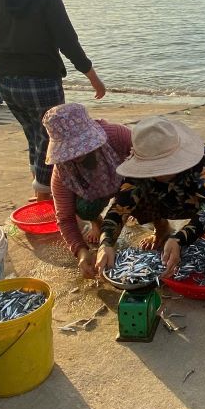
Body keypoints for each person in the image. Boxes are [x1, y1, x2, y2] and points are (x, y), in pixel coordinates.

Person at [0, 0, 106, 201]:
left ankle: (40, 188)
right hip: (42, 80)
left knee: (33, 135)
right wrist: (92, 76)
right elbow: (67, 41)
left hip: (6, 80)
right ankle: (44, 196)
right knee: (51, 139)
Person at [95, 117, 205, 278]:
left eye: (165, 165)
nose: (160, 172)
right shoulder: (137, 171)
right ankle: (161, 229)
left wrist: (180, 240)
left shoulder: (204, 161)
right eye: (153, 167)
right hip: (164, 203)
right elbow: (119, 209)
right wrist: (106, 244)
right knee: (131, 197)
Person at [42, 103, 132, 278]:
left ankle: (160, 228)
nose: (77, 154)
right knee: (83, 209)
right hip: (93, 195)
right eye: (71, 150)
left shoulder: (116, 134)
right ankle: (96, 222)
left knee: (145, 189)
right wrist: (82, 252)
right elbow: (65, 218)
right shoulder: (62, 172)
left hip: (126, 181)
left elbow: (151, 160)